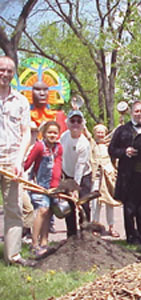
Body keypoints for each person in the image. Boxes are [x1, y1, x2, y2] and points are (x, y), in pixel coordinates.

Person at [109, 100, 141, 245]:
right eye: (136, 111)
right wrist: (125, 151)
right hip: (129, 175)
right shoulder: (122, 130)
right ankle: (132, 237)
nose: (139, 114)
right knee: (130, 207)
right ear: (132, 112)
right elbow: (112, 150)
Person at [0, 56, 33, 266]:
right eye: (1, 70)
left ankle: (13, 256)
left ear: (14, 74)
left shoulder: (21, 101)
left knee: (14, 208)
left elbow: (26, 133)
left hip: (11, 162)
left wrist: (19, 162)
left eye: (9, 71)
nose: (4, 74)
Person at [24, 121, 62, 257]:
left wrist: (56, 187)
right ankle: (34, 244)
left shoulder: (58, 148)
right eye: (50, 132)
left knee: (49, 212)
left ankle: (44, 242)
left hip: (52, 187)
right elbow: (28, 162)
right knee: (42, 210)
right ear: (44, 133)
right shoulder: (39, 147)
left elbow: (58, 166)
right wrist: (20, 171)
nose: (52, 135)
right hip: (39, 185)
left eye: (55, 133)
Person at [60, 110, 92, 237]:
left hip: (83, 176)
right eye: (72, 121)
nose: (75, 124)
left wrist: (76, 188)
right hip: (67, 174)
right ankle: (71, 235)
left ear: (83, 124)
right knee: (69, 206)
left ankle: (86, 233)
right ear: (67, 123)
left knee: (83, 205)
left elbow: (80, 166)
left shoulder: (84, 144)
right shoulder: (64, 137)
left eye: (79, 121)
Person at [90, 124, 120, 238]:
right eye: (98, 132)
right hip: (96, 177)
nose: (100, 134)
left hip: (108, 176)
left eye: (102, 132)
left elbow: (116, 133)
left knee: (109, 202)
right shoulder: (92, 144)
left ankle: (111, 227)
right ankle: (95, 227)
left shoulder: (109, 146)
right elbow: (86, 134)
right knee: (95, 203)